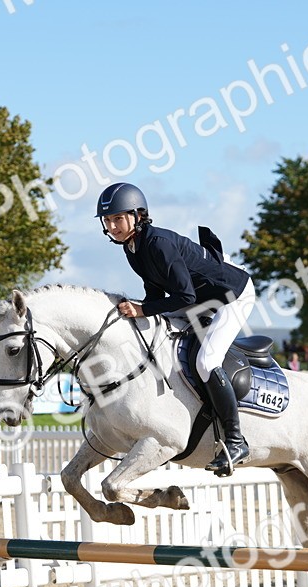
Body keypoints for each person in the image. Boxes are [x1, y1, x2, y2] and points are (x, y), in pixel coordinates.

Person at [96, 182, 256, 475]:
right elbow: (156, 293)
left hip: (231, 295)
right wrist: (141, 311)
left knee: (206, 361)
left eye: (117, 218)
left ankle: (235, 441)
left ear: (137, 215)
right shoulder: (133, 247)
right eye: (107, 221)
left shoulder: (157, 243)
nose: (113, 226)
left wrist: (143, 310)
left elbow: (185, 297)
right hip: (200, 299)